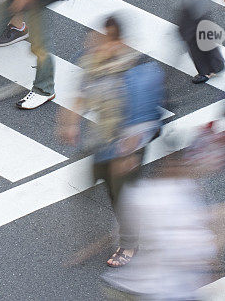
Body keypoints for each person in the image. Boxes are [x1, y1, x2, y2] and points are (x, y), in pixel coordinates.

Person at [58, 16, 164, 264]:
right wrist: (71, 123)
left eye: (103, 41)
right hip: (103, 140)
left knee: (122, 194)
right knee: (100, 183)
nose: (96, 46)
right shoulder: (95, 62)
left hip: (128, 146)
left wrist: (128, 155)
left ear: (120, 42)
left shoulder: (139, 73)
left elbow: (144, 119)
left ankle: (129, 244)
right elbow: (83, 94)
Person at [102, 136, 217, 300]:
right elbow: (186, 249)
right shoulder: (154, 199)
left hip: (153, 287)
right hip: (161, 290)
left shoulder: (141, 194)